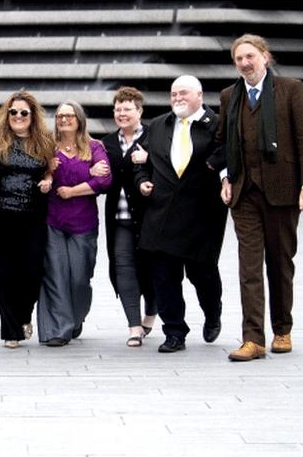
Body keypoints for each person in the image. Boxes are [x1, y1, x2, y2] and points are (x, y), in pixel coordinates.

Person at [210, 35, 303, 361]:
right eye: (239, 59)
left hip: (283, 190)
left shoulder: (291, 90)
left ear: (264, 57)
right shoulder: (230, 96)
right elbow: (222, 144)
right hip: (244, 193)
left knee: (280, 263)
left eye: (249, 57)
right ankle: (253, 339)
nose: (244, 63)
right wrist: (225, 176)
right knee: (249, 267)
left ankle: (282, 328)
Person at [136, 75, 227, 354]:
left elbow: (232, 151)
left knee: (203, 276)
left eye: (183, 93)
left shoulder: (217, 125)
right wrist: (141, 180)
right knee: (164, 278)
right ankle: (174, 331)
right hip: (161, 214)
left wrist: (217, 166)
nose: (177, 99)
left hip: (201, 216)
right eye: (173, 94)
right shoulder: (158, 124)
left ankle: (213, 314)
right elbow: (143, 160)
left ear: (199, 95)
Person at [0, 92, 54, 349]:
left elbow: (54, 169)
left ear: (33, 117)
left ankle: (24, 315)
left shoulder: (44, 142)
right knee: (1, 275)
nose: (18, 117)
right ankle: (11, 330)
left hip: (32, 219)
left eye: (23, 113)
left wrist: (49, 180)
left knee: (31, 273)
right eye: (13, 112)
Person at [38, 101, 111, 347]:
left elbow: (105, 181)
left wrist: (73, 191)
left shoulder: (94, 148)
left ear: (79, 119)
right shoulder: (48, 147)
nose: (64, 119)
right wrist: (47, 172)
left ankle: (75, 318)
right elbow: (38, 174)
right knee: (56, 274)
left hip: (84, 223)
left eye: (69, 115)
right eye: (60, 116)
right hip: (53, 221)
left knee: (80, 278)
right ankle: (59, 329)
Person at [103, 87, 157, 347]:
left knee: (153, 271)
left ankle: (152, 310)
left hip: (150, 219)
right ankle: (134, 326)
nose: (122, 114)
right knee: (123, 269)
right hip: (119, 218)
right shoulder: (108, 143)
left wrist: (150, 159)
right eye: (118, 110)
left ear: (139, 111)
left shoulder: (154, 137)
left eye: (127, 109)